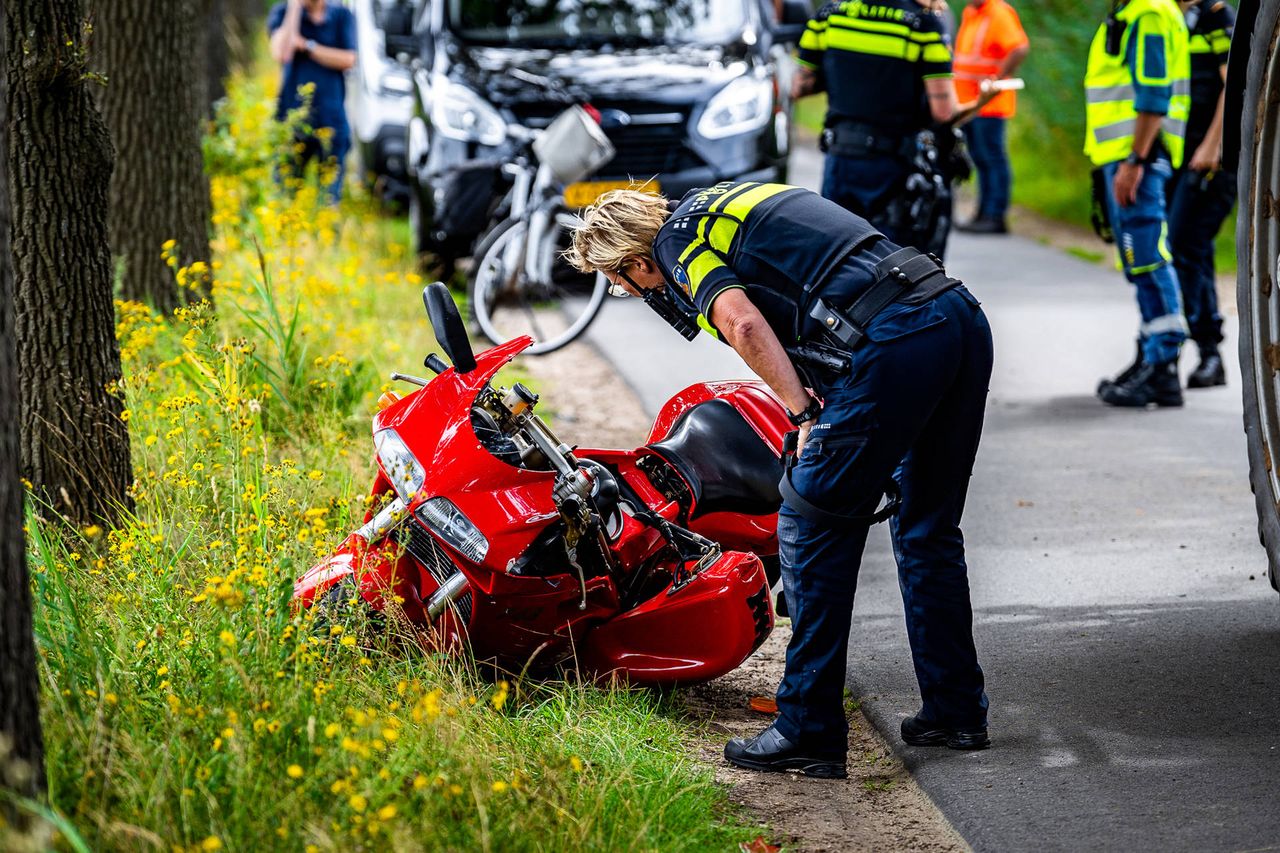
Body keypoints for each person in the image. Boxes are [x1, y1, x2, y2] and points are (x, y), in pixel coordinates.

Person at [566, 182, 993, 778]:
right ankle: (955, 710)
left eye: (625, 285)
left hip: (895, 340)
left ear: (635, 262)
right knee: (927, 526)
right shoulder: (718, 201)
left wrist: (803, 413)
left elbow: (742, 323)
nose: (638, 292)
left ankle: (807, 728)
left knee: (807, 523)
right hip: (954, 313)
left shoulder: (675, 245)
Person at [792, 0, 985, 248]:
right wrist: (981, 101)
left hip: (841, 156)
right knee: (891, 265)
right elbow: (944, 112)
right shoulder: (922, 24)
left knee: (839, 255)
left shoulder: (830, 15)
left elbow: (799, 87)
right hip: (894, 167)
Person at [1086, 0, 1192, 407]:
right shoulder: (1134, 11)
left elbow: (1153, 94)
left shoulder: (1148, 12)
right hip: (1126, 156)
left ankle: (1164, 365)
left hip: (1139, 158)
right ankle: (1150, 354)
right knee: (1139, 261)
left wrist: (1135, 160)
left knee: (1149, 258)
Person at [1166, 0, 1235, 388]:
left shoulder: (1216, 16)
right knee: (1184, 250)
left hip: (1209, 161)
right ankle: (1173, 351)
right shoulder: (1172, 16)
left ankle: (1210, 352)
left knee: (1187, 246)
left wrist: (1212, 146)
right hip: (1179, 158)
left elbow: (1233, 86)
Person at [953, 0, 1030, 234]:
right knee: (981, 158)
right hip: (971, 103)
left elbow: (1019, 47)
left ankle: (995, 215)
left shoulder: (998, 13)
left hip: (990, 103)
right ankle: (983, 213)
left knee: (992, 158)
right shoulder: (972, 13)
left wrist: (999, 76)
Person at [268, 0, 357, 204]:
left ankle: (322, 236)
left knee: (329, 198)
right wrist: (294, 9)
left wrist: (309, 46)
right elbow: (281, 52)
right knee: (284, 196)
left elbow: (348, 60)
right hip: (291, 121)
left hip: (332, 120)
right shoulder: (283, 13)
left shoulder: (341, 15)